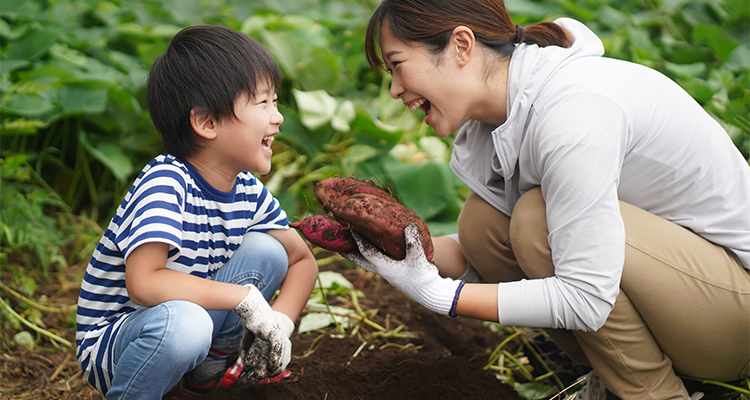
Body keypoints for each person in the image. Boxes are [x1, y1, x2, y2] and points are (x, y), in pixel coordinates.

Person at [345, 0, 750, 399]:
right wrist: (399, 251)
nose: (395, 89)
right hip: (689, 299)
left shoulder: (573, 110)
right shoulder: (500, 115)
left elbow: (586, 297)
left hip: (734, 320)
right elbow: (478, 254)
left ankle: (656, 395)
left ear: (461, 46)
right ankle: (616, 376)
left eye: (397, 65)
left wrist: (442, 296)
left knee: (536, 223)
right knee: (483, 226)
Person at [75, 25, 319, 400]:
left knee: (269, 250)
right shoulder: (166, 182)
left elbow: (302, 261)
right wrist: (246, 300)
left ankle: (205, 374)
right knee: (186, 325)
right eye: (264, 103)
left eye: (276, 101)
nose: (278, 117)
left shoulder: (247, 190)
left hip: (190, 328)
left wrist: (280, 323)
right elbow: (144, 284)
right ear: (206, 122)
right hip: (121, 341)